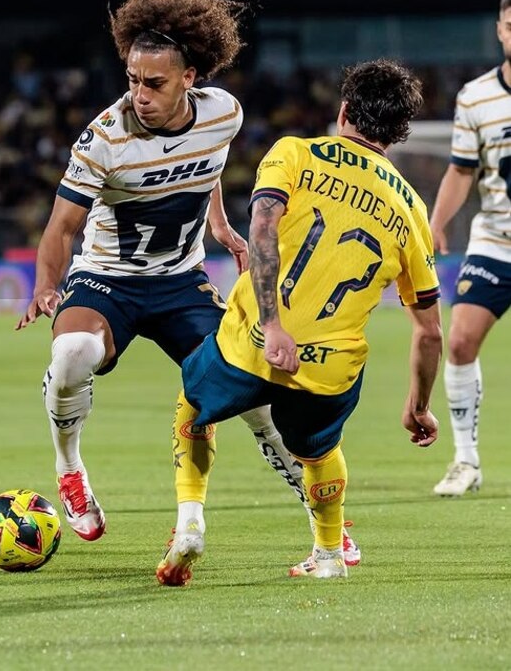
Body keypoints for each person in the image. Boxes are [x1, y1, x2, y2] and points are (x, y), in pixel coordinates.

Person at [16, 0, 360, 569]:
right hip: (108, 280)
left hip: (180, 281)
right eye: (132, 80)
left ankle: (325, 519)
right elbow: (60, 228)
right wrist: (48, 285)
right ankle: (70, 468)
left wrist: (220, 226)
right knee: (72, 352)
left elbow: (208, 170)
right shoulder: (105, 139)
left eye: (154, 83)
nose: (139, 94)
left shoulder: (223, 113)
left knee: (256, 401)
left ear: (190, 78)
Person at [163, 59, 442, 584]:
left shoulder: (294, 152)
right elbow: (430, 330)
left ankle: (190, 522)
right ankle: (331, 554)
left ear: (343, 112)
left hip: (251, 344)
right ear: (399, 134)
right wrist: (419, 406)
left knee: (193, 405)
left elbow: (263, 231)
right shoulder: (410, 207)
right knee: (318, 452)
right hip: (329, 370)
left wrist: (272, 327)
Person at [429, 0, 511, 497]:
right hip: (496, 241)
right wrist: (437, 223)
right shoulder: (475, 97)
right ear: (501, 30)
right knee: (458, 341)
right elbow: (462, 170)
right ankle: (466, 460)